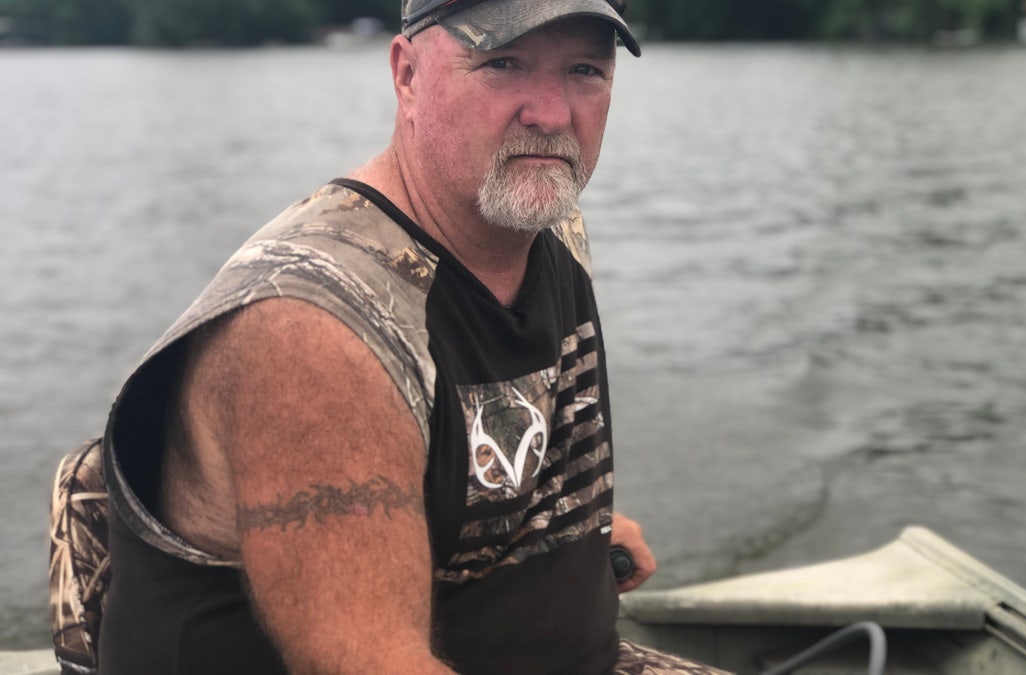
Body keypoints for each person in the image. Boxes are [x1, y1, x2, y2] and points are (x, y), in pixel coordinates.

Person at [60, 1, 726, 673]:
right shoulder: (314, 328)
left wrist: (571, 531)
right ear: (407, 75)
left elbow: (476, 452)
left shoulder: (544, 221)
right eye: (503, 63)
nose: (552, 114)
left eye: (585, 69)